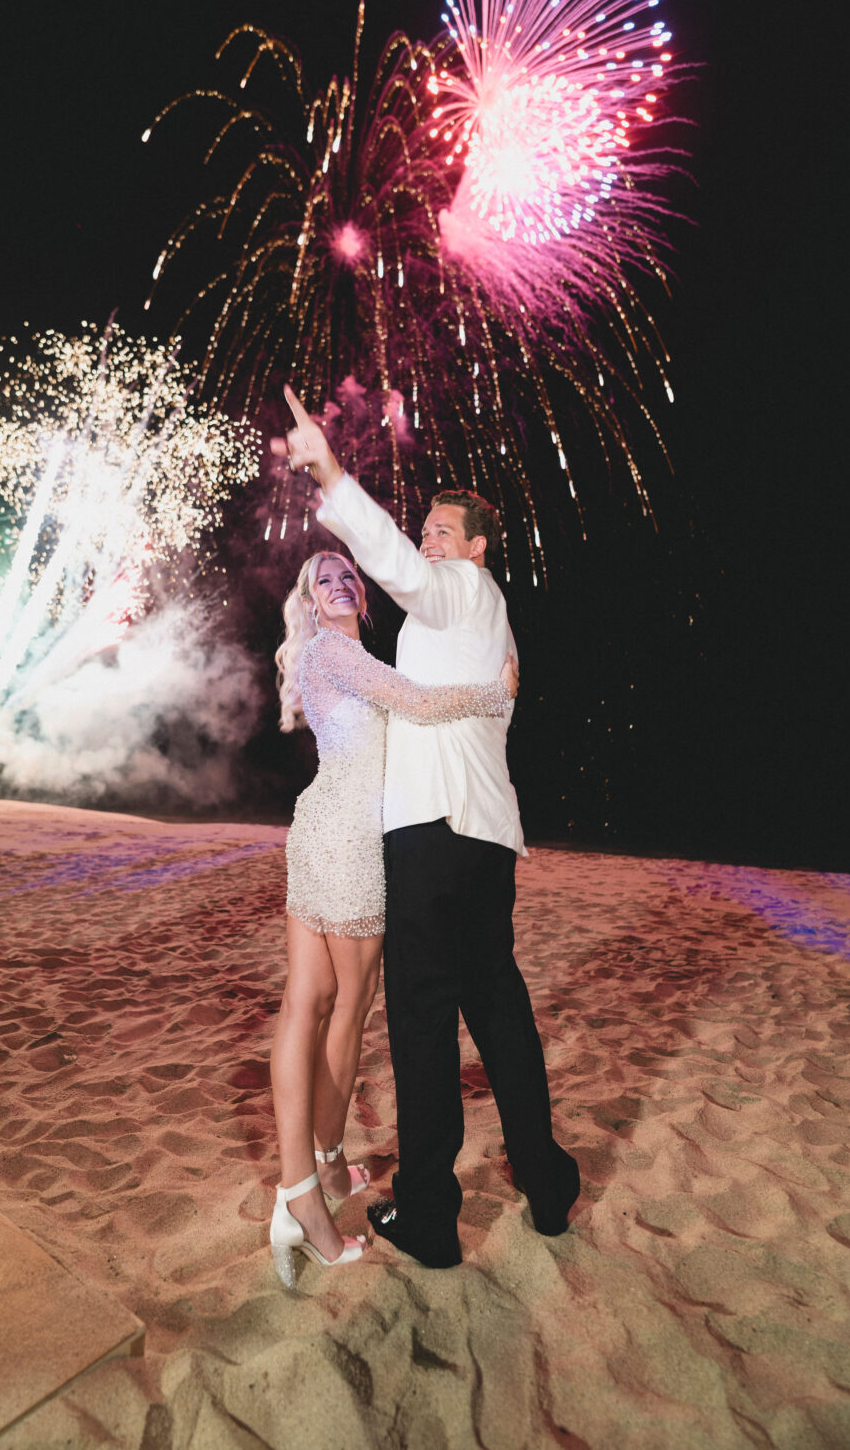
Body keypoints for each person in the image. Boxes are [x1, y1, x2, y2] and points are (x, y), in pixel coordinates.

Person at [273, 386, 580, 1269]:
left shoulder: (451, 588)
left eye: (442, 531)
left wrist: (328, 469)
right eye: (429, 530)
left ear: (474, 548)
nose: (427, 542)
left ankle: (432, 1216)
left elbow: (399, 567)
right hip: (487, 834)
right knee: (499, 1006)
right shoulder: (487, 625)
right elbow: (426, 697)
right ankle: (547, 1184)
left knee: (417, 1019)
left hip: (431, 833)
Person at [268, 547, 519, 1288]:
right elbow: (418, 703)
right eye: (325, 580)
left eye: (349, 575)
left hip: (314, 828)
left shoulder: (330, 656)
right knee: (345, 1009)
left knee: (305, 1006)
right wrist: (493, 696)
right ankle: (303, 1197)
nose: (342, 583)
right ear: (310, 602)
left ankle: (316, 1171)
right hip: (346, 841)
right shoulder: (337, 654)